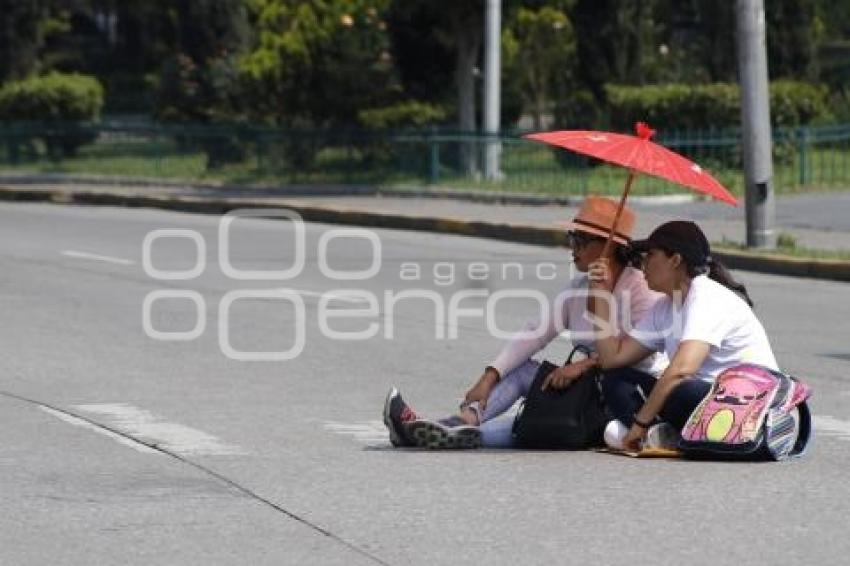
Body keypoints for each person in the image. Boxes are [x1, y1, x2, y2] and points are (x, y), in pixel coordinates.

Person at [382, 196, 667, 449]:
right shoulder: (577, 287)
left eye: (580, 241)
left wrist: (583, 365)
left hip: (624, 392)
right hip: (584, 386)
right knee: (523, 372)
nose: (572, 248)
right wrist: (488, 377)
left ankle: (452, 434)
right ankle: (461, 421)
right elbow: (535, 333)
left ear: (608, 247)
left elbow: (638, 353)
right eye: (572, 238)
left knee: (540, 422)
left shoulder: (641, 289)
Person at [587, 220, 779, 452]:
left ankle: (650, 433)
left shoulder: (706, 297)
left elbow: (681, 370)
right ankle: (660, 435)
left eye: (650, 256)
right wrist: (600, 291)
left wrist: (638, 423)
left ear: (675, 260)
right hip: (706, 402)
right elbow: (612, 359)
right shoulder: (664, 307)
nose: (642, 264)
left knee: (680, 388)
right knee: (616, 378)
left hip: (749, 404)